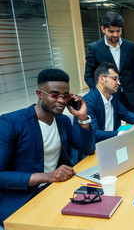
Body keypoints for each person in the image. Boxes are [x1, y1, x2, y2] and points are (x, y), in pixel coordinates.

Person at [0, 69, 95, 227]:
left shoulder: (63, 121)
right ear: (39, 93)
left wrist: (82, 118)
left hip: (55, 189)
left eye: (65, 96)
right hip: (22, 199)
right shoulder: (11, 123)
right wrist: (49, 176)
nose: (61, 101)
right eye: (54, 94)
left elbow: (88, 149)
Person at [84, 11, 134, 116]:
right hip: (109, 96)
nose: (115, 35)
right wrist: (99, 94)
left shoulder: (130, 46)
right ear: (103, 29)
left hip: (130, 96)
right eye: (111, 31)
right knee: (113, 129)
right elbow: (88, 75)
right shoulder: (94, 48)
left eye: (118, 31)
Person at [83, 62, 134, 143]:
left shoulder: (113, 97)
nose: (119, 83)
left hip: (114, 142)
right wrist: (126, 132)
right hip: (97, 147)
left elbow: (125, 114)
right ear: (102, 79)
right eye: (115, 79)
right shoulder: (88, 102)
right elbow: (95, 134)